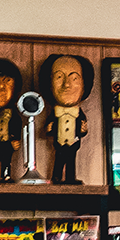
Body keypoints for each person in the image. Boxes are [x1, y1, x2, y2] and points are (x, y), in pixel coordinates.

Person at [39, 53, 93, 184]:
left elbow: (83, 130)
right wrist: (49, 129)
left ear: (85, 84)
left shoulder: (79, 114)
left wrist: (83, 130)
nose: (66, 85)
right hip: (59, 142)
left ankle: (70, 178)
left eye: (74, 78)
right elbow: (49, 128)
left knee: (71, 162)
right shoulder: (55, 114)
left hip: (73, 142)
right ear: (49, 84)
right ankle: (56, 177)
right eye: (59, 77)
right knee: (59, 159)